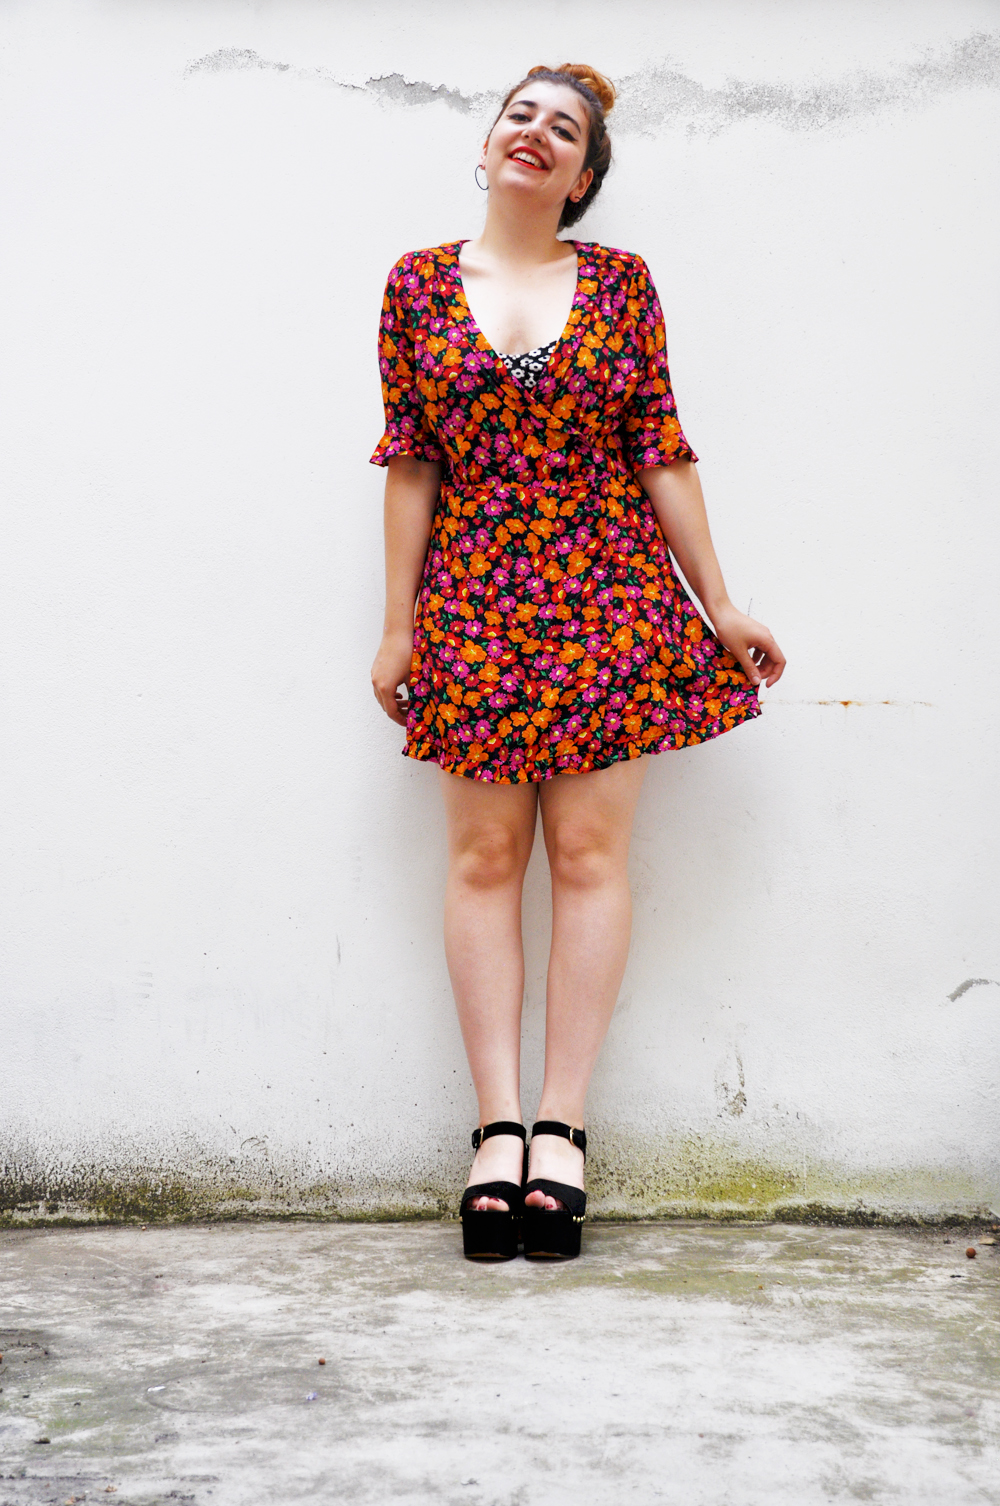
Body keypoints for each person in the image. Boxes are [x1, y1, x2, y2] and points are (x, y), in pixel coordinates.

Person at [370, 63, 785, 1261]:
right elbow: (411, 461)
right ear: (487, 143)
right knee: (483, 859)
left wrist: (718, 605)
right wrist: (397, 626)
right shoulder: (413, 284)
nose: (535, 134)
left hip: (609, 600)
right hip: (473, 606)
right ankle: (494, 1131)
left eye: (564, 130)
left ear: (584, 177)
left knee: (591, 858)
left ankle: (560, 1130)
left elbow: (659, 447)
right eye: (520, 115)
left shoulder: (620, 285)